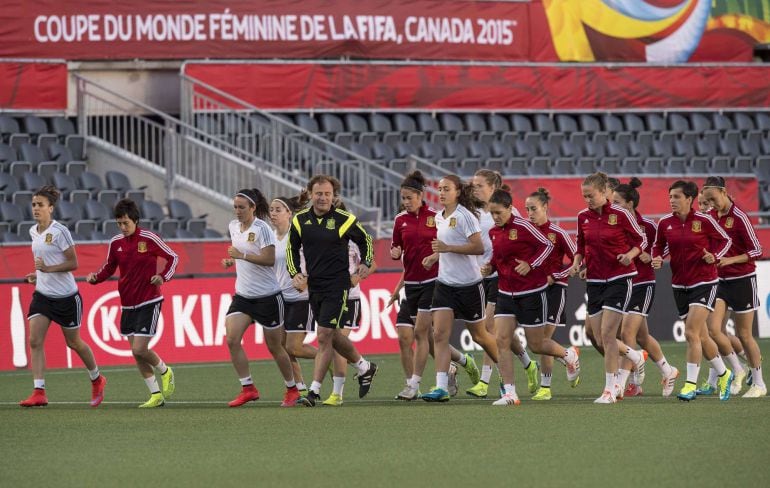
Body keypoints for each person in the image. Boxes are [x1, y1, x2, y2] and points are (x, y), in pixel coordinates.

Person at [484, 189, 581, 406]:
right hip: (505, 292)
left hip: (532, 293)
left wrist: (532, 265)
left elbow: (548, 246)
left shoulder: (526, 227)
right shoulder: (493, 232)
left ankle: (568, 355)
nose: (495, 217)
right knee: (502, 340)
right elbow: (498, 256)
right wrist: (489, 267)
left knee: (536, 345)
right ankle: (510, 394)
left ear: (509, 209)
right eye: (492, 213)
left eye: (499, 212)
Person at [288, 175, 378, 407]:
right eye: (319, 193)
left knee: (323, 335)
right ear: (310, 194)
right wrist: (294, 272)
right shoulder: (300, 221)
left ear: (333, 196)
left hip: (338, 285)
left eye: (327, 194)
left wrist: (366, 262)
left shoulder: (344, 219)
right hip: (315, 285)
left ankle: (314, 391)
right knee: (332, 336)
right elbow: (292, 248)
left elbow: (366, 240)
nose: (323, 198)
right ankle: (364, 366)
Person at [390, 171, 479, 401]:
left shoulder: (436, 217)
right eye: (403, 198)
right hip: (411, 283)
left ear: (420, 196)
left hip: (434, 281)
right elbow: (397, 248)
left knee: (422, 333)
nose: (406, 202)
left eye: (410, 197)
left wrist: (434, 257)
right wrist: (395, 253)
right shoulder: (400, 220)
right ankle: (459, 361)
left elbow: (446, 245)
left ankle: (413, 384)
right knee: (427, 337)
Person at [19, 186, 106, 408]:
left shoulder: (60, 232)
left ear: (51, 208)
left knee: (74, 342)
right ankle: (39, 391)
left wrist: (47, 269)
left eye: (40, 205)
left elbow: (73, 263)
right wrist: (38, 275)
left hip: (67, 298)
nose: (36, 208)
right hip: (43, 296)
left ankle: (97, 378)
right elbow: (43, 265)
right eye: (34, 205)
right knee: (34, 340)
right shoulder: (33, 232)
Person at [86, 198, 178, 408]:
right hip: (127, 302)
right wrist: (95, 278)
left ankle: (165, 370)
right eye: (118, 223)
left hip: (149, 299)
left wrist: (163, 277)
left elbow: (173, 257)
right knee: (136, 354)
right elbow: (109, 268)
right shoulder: (116, 243)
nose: (122, 227)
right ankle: (155, 394)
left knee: (139, 349)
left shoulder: (149, 238)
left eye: (125, 222)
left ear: (135, 220)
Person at [651, 180, 734, 401]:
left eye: (677, 197)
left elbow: (725, 240)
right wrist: (657, 257)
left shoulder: (705, 220)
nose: (672, 201)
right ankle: (725, 374)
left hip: (704, 282)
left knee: (690, 333)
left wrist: (714, 256)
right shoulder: (665, 223)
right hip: (679, 284)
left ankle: (689, 384)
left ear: (689, 199)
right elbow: (658, 245)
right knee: (702, 336)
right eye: (670, 197)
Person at [569, 172, 648, 404]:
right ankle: (634, 356)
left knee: (607, 334)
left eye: (591, 195)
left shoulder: (621, 214)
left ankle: (610, 390)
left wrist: (631, 255)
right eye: (584, 196)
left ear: (605, 192)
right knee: (598, 336)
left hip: (620, 278)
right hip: (594, 281)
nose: (587, 200)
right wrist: (576, 263)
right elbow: (580, 246)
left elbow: (641, 240)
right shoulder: (582, 216)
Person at [420, 175, 499, 402]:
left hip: (470, 285)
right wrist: (436, 256)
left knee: (480, 336)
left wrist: (446, 248)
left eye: (446, 189)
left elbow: (477, 247)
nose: (441, 193)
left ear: (457, 192)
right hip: (445, 283)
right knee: (439, 335)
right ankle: (441, 387)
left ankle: (506, 377)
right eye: (440, 189)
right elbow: (447, 246)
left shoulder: (466, 215)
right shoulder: (438, 217)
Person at [222, 188, 299, 408]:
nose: (237, 211)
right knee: (231, 339)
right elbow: (240, 253)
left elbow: (268, 259)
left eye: (242, 207)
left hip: (268, 297)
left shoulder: (263, 228)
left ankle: (292, 389)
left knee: (275, 348)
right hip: (243, 296)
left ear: (253, 208)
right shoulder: (233, 226)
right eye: (235, 207)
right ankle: (248, 388)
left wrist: (241, 256)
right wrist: (232, 261)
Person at [467, 169, 536, 398]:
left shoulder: (508, 212)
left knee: (489, 329)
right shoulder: (473, 211)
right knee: (502, 334)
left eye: (479, 185)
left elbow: (525, 240)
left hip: (501, 277)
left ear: (493, 188)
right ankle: (528, 364)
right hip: (480, 276)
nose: (474, 188)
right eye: (473, 184)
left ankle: (486, 381)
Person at [611, 179, 679, 398]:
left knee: (626, 332)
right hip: (622, 283)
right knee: (642, 337)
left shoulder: (648, 226)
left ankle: (619, 384)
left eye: (617, 202)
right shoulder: (614, 223)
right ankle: (668, 371)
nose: (613, 206)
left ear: (630, 203)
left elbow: (663, 246)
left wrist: (654, 256)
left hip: (642, 283)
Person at [702, 176, 765, 397]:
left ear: (723, 191)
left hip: (743, 280)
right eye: (707, 200)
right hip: (719, 282)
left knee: (744, 334)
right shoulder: (710, 217)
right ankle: (739, 370)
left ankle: (758, 382)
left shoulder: (740, 217)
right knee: (712, 330)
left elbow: (758, 250)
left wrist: (731, 260)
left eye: (713, 198)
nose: (711, 204)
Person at [524, 187, 582, 401]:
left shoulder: (558, 233)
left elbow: (577, 259)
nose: (530, 213)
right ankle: (569, 356)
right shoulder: (526, 233)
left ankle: (546, 387)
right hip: (532, 290)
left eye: (534, 209)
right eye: (527, 209)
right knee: (539, 342)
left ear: (545, 207)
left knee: (543, 339)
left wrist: (555, 276)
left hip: (556, 289)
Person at [269, 196, 316, 397]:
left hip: (301, 297)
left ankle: (330, 357)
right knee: (284, 348)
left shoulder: (298, 235)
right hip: (280, 299)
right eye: (271, 209)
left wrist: (307, 279)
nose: (273, 213)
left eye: (278, 209)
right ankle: (300, 389)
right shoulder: (270, 237)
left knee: (294, 347)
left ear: (289, 213)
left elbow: (316, 260)